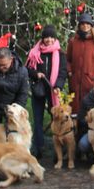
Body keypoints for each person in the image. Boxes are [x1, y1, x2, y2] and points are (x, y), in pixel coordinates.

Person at [26, 25, 68, 159]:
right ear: (42, 38)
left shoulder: (60, 54)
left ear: (55, 38)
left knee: (56, 118)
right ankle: (39, 147)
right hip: (39, 89)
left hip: (53, 90)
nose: (49, 40)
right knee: (37, 119)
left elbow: (62, 72)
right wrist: (35, 73)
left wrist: (59, 86)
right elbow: (28, 69)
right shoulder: (35, 52)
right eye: (46, 37)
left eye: (51, 37)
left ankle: (58, 149)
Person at [67, 13, 94, 114]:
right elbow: (68, 60)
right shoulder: (73, 42)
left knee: (92, 112)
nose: (85, 26)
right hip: (75, 82)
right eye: (82, 23)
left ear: (91, 26)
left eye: (87, 23)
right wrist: (69, 71)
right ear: (79, 26)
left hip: (92, 83)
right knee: (76, 111)